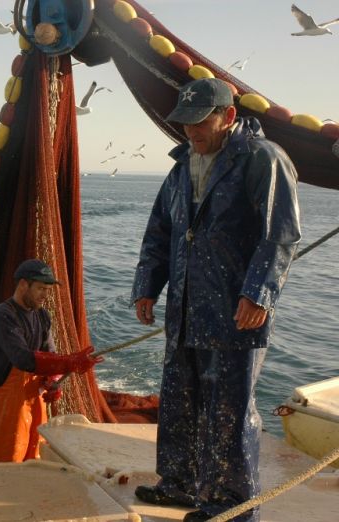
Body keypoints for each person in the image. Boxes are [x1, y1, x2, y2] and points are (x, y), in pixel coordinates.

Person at [131, 78, 300, 522]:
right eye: (184, 124)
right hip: (185, 309)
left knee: (228, 411)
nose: (190, 132)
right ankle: (181, 484)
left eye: (199, 122)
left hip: (235, 311)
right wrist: (147, 286)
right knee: (179, 401)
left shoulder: (262, 159)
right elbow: (160, 233)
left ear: (227, 116)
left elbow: (280, 235)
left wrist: (258, 293)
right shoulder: (182, 165)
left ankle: (231, 506)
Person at [0, 259, 102, 462]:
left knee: (35, 452)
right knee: (7, 457)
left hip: (34, 393)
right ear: (22, 285)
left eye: (48, 289)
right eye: (40, 289)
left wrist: (52, 380)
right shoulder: (3, 316)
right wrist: (70, 362)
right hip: (6, 397)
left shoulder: (43, 315)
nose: (45, 295)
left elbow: (49, 352)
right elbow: (23, 359)